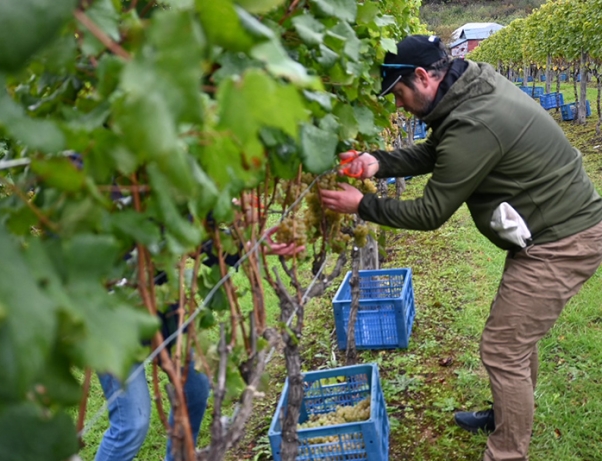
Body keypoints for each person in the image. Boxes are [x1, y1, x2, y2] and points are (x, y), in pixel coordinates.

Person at [320, 34, 602, 461]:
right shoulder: (468, 89)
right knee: (514, 339)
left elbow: (431, 213)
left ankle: (507, 451)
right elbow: (438, 151)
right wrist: (380, 160)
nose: (397, 104)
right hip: (549, 228)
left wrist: (362, 204)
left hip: (562, 241)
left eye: (397, 93)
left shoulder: (476, 121)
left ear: (421, 76)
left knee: (504, 347)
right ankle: (507, 415)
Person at [95, 220, 303, 461]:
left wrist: (247, 246)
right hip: (107, 319)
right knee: (132, 424)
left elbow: (191, 232)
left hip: (163, 306)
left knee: (195, 388)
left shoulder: (157, 190)